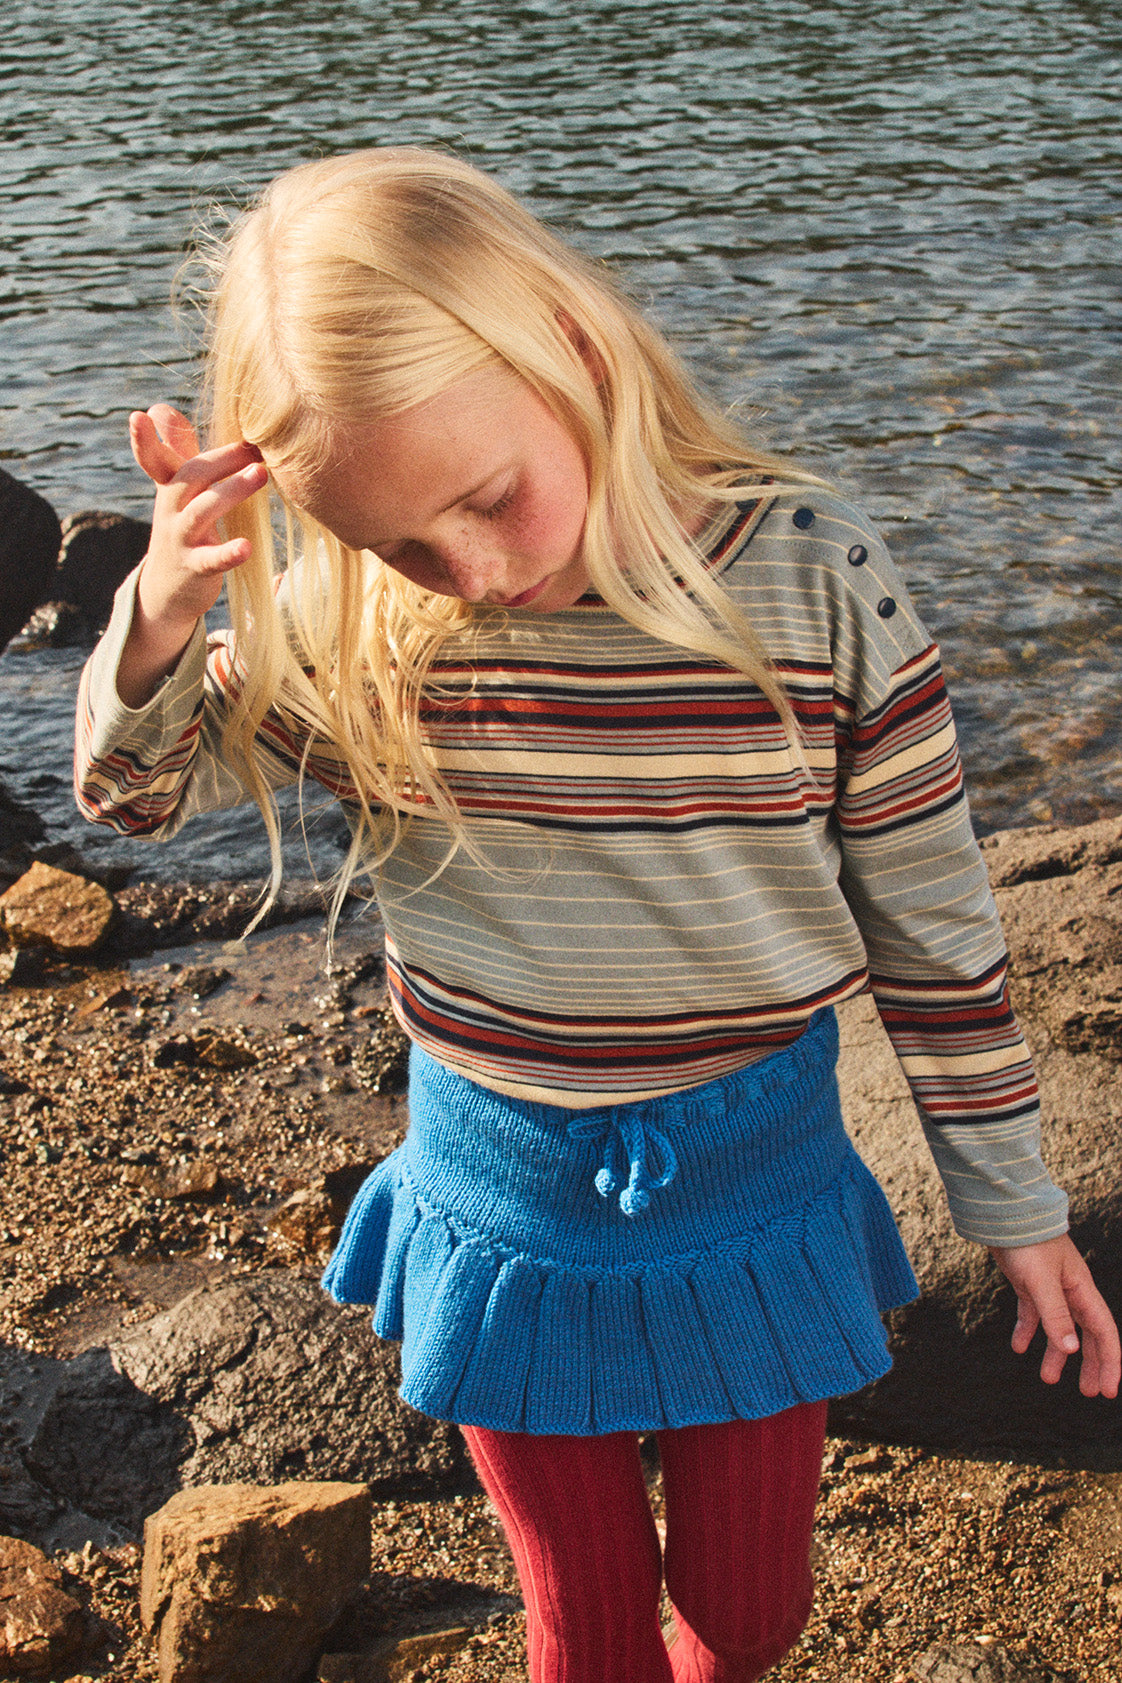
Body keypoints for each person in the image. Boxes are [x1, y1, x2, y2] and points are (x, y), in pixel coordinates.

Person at [75, 148, 1119, 1683]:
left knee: (748, 1619)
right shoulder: (368, 636)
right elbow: (131, 796)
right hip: (503, 1202)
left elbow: (932, 923)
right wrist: (162, 615)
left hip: (752, 1190)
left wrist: (1011, 1205)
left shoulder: (812, 583)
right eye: (400, 542)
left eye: (488, 497)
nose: (473, 571)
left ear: (565, 343)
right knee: (582, 1628)